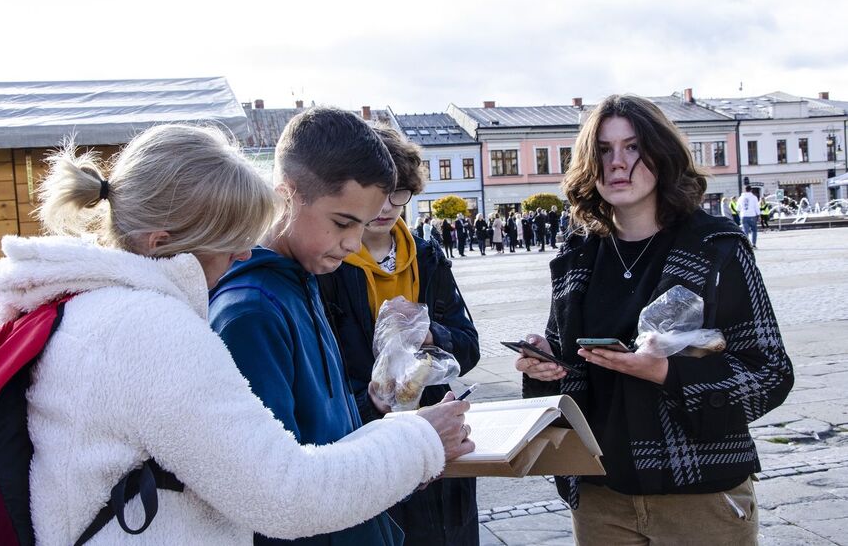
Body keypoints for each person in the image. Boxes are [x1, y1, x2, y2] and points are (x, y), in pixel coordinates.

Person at [0, 123, 470, 544]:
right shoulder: (148, 330)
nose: (243, 258)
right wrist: (419, 440)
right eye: (231, 244)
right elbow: (283, 493)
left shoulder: (98, 309)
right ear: (164, 243)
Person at [514, 95, 794, 545]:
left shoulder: (716, 248)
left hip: (698, 494)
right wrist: (545, 368)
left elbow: (772, 374)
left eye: (632, 147)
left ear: (662, 156)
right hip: (600, 494)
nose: (617, 164)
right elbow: (569, 382)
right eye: (603, 151)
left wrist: (667, 373)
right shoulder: (577, 255)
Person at [206, 109, 474, 546]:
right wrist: (417, 444)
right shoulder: (252, 313)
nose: (353, 244)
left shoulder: (303, 280)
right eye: (343, 223)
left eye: (364, 226)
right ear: (287, 196)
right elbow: (278, 492)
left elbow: (336, 438)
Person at [318, 126, 481, 546]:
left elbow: (469, 345)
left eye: (401, 193)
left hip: (441, 435)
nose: (389, 207)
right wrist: (372, 402)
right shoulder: (329, 266)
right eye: (380, 194)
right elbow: (324, 380)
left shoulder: (426, 256)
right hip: (373, 445)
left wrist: (429, 332)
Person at [738, 185, 761, 249]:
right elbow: (756, 207)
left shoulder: (740, 198)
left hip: (744, 216)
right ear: (751, 190)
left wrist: (740, 215)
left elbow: (738, 208)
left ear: (745, 190)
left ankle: (746, 245)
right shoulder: (754, 197)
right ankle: (753, 244)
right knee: (754, 230)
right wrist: (759, 215)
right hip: (752, 216)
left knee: (745, 231)